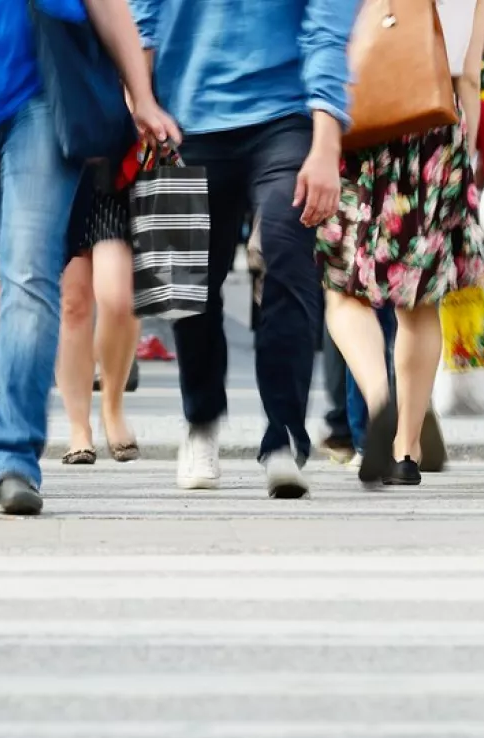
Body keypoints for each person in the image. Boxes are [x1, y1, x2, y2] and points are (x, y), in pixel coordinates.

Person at [0, 0, 178, 514]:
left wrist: (142, 96)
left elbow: (107, 5)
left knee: (30, 273)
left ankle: (14, 456)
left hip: (44, 96)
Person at [130, 0, 355, 498]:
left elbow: (327, 32)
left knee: (285, 252)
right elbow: (140, 16)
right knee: (187, 283)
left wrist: (326, 145)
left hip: (286, 116)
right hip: (182, 115)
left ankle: (284, 436)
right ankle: (201, 420)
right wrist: (141, 101)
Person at [319, 0, 484, 487]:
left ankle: (379, 402)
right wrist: (463, 163)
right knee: (418, 303)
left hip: (366, 127)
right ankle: (406, 450)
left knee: (341, 287)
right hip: (438, 130)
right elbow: (471, 78)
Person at [56, 147, 142, 467]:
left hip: (119, 162)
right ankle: (79, 428)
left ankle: (112, 403)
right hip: (64, 155)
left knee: (119, 298)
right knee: (73, 303)